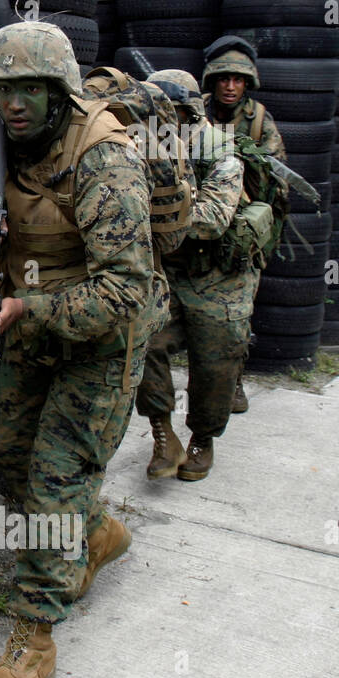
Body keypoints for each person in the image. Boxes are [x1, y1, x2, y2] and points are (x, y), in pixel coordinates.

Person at [0, 22, 158, 678]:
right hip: (30, 323)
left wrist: (28, 310)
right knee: (7, 461)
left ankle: (33, 638)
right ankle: (94, 532)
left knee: (52, 480)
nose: (13, 103)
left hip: (100, 345)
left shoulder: (107, 159)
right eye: (3, 88)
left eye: (28, 89)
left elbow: (126, 289)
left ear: (60, 92)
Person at [135, 70, 248, 482]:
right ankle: (163, 431)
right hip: (167, 269)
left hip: (217, 274)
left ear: (188, 112)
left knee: (217, 354)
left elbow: (214, 218)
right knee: (141, 334)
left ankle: (203, 436)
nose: (160, 121)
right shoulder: (145, 145)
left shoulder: (219, 149)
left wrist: (149, 216)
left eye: (169, 113)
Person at [200, 35, 285, 415]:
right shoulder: (195, 113)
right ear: (212, 82)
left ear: (247, 83)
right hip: (201, 221)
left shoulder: (260, 122)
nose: (230, 87)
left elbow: (278, 186)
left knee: (238, 317)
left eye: (237, 80)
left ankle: (233, 381)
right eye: (223, 79)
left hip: (241, 230)